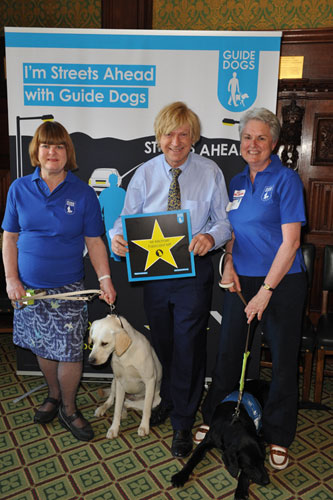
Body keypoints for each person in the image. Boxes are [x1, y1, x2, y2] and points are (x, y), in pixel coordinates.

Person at [110, 101, 231, 458]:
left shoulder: (210, 172)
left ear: (193, 138)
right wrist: (118, 238)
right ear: (158, 136)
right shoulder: (145, 174)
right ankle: (170, 400)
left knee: (190, 347)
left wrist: (212, 237)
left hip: (193, 274)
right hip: (155, 276)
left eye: (183, 134)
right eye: (168, 134)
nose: (175, 142)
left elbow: (224, 221)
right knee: (163, 344)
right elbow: (124, 219)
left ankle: (182, 421)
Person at [196, 107, 307, 470]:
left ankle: (278, 434)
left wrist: (266, 291)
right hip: (241, 281)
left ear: (273, 143)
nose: (253, 144)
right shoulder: (237, 182)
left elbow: (290, 243)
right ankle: (214, 418)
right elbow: (233, 234)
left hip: (283, 282)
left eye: (261, 138)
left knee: (282, 361)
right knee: (228, 352)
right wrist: (228, 263)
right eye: (247, 137)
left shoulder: (287, 180)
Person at [2, 121, 116, 442]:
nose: (52, 152)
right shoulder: (18, 189)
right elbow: (9, 237)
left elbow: (95, 241)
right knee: (43, 345)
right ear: (36, 152)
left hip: (70, 290)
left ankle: (68, 407)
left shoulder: (82, 193)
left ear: (68, 152)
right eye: (46, 146)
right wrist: (11, 279)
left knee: (68, 352)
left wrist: (105, 279)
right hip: (28, 291)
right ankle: (52, 395)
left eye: (59, 146)